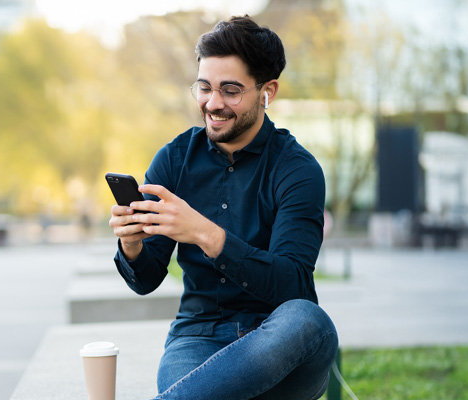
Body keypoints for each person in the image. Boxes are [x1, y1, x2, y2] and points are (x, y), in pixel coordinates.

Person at [109, 15, 338, 399]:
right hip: (197, 337)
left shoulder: (297, 169)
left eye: (230, 90)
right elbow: (145, 280)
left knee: (307, 319)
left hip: (278, 342)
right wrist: (131, 245)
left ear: (268, 91)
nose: (213, 104)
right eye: (204, 87)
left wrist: (206, 234)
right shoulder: (174, 159)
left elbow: (293, 285)